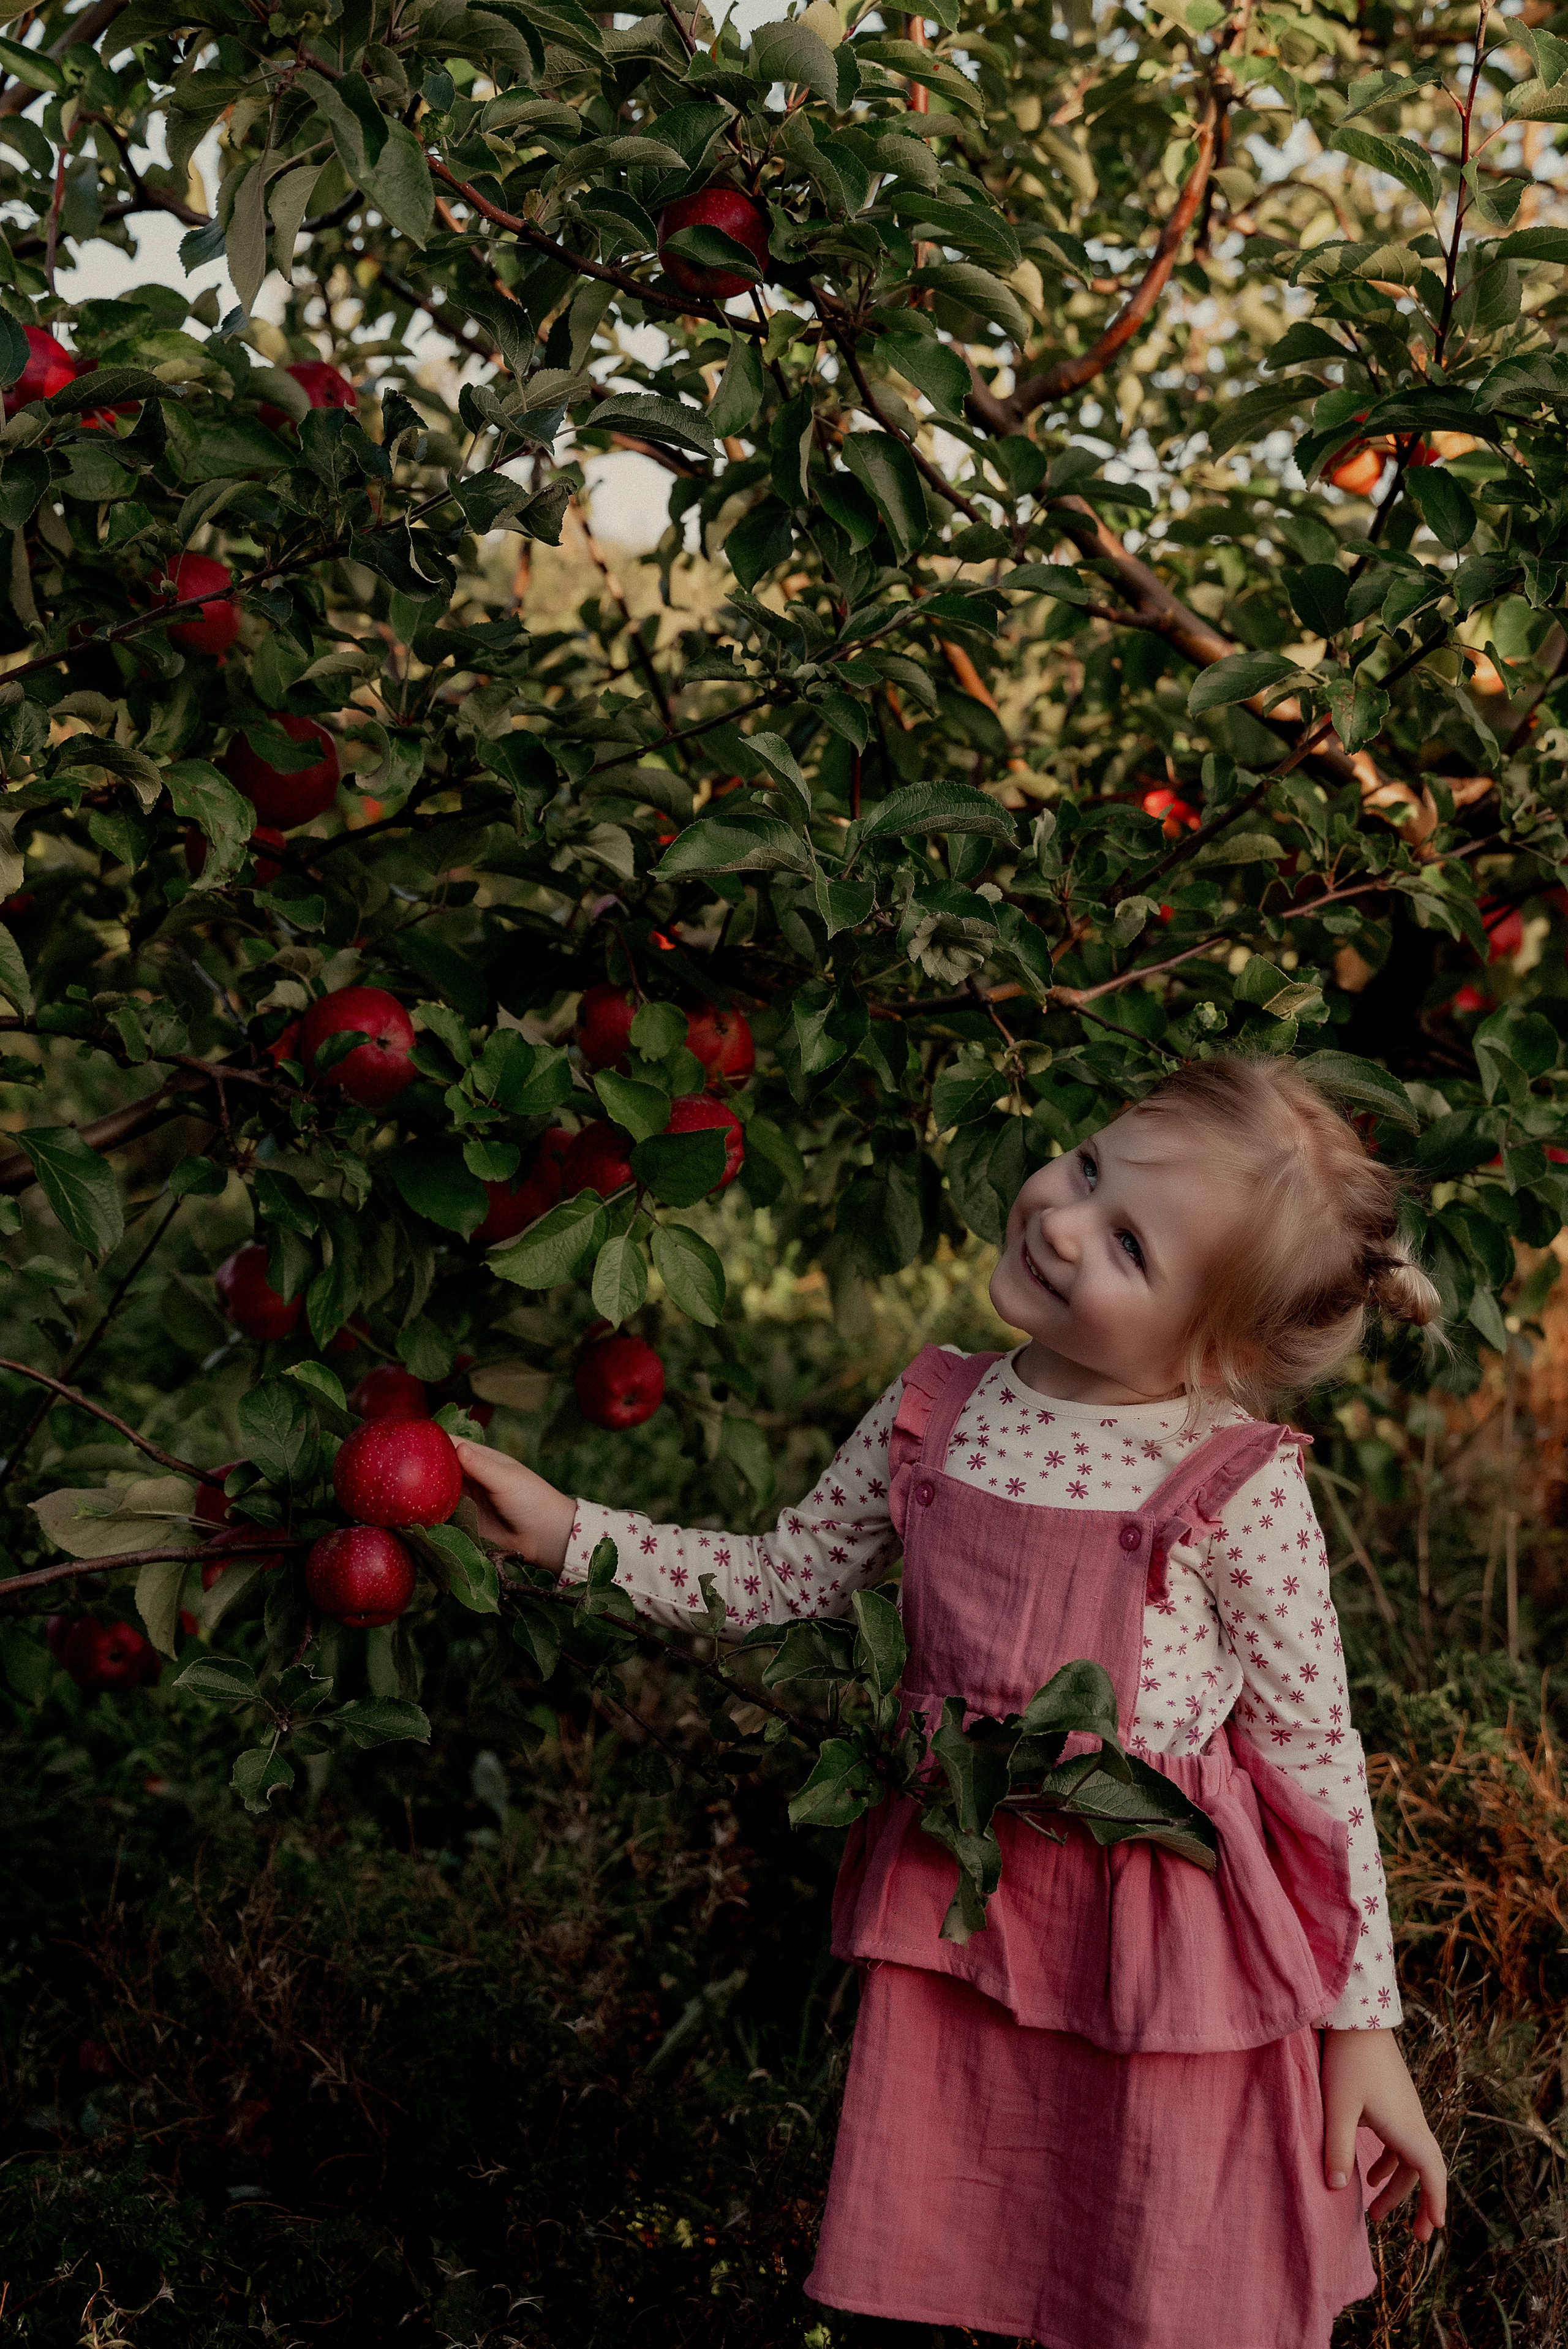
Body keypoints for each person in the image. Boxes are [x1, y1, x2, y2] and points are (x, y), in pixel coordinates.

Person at [456, 1054, 1448, 2349]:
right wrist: (569, 1532)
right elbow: (783, 1580)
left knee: (1162, 2273)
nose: (1059, 1217)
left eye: (1128, 1243)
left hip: (1161, 1951)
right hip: (964, 1910)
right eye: (1086, 1167)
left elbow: (1313, 1760)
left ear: (1213, 1344)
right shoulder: (938, 1408)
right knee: (967, 2260)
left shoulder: (1230, 1483)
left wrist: (1359, 2026)